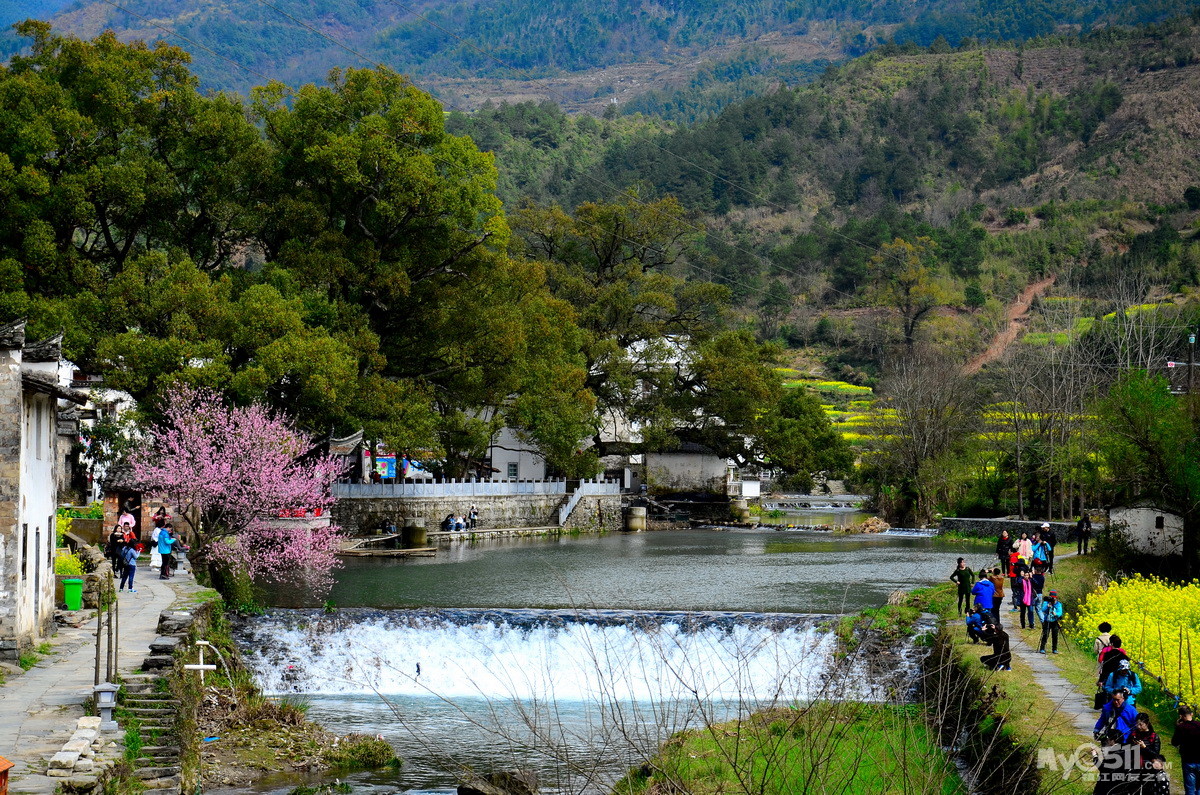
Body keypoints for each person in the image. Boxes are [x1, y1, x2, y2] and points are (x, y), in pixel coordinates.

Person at [1172, 704, 1200, 795]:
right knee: (1199, 787)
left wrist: (1177, 726)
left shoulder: (1181, 727)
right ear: (1191, 714)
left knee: (1190, 787)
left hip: (1188, 760)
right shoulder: (1199, 725)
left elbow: (1174, 742)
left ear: (1181, 716)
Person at [1038, 589, 1063, 653]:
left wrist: (1056, 614)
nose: (1052, 599)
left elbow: (1060, 612)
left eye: (1054, 598)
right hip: (1047, 620)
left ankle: (1054, 649)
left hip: (1055, 621)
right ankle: (1042, 648)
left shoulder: (1058, 604)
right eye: (1051, 598)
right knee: (1045, 635)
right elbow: (1042, 609)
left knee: (1055, 635)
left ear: (1056, 598)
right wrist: (1047, 606)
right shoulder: (1046, 602)